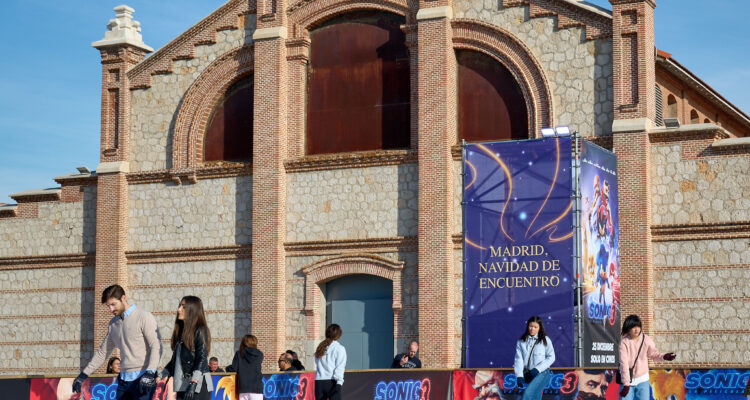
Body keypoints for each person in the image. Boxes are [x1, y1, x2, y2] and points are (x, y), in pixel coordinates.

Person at [72, 284, 161, 400]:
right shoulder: (113, 324)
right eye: (108, 306)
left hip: (143, 379)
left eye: (113, 304)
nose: (111, 309)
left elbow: (156, 346)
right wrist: (82, 376)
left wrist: (150, 372)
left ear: (123, 298)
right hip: (123, 381)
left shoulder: (143, 317)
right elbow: (102, 352)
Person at [160, 296, 213, 400]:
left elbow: (202, 358)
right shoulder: (180, 332)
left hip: (198, 386)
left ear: (192, 310)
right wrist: (161, 375)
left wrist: (194, 382)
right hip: (182, 386)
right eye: (179, 306)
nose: (178, 309)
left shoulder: (200, 330)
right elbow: (176, 360)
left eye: (183, 307)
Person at [618, 315, 675, 400]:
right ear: (628, 328)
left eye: (638, 326)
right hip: (627, 381)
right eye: (633, 327)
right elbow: (624, 364)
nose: (636, 329)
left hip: (642, 379)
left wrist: (664, 357)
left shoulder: (646, 339)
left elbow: (654, 354)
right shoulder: (624, 343)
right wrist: (626, 384)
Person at [513, 316, 555, 400]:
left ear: (540, 328)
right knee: (535, 397)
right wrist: (519, 376)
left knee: (527, 394)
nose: (532, 329)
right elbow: (519, 360)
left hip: (543, 373)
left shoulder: (545, 340)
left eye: (535, 327)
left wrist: (538, 369)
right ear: (527, 326)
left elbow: (551, 357)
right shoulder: (521, 341)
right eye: (530, 326)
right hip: (528, 374)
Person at [226, 335, 264, 400]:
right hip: (257, 388)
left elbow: (233, 369)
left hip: (243, 388)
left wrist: (227, 368)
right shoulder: (260, 354)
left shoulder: (239, 354)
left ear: (243, 343)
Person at [315, 324, 347, 400]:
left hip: (319, 382)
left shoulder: (320, 347)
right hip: (332, 381)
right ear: (339, 335)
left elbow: (317, 363)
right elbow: (340, 366)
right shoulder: (339, 348)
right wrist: (339, 382)